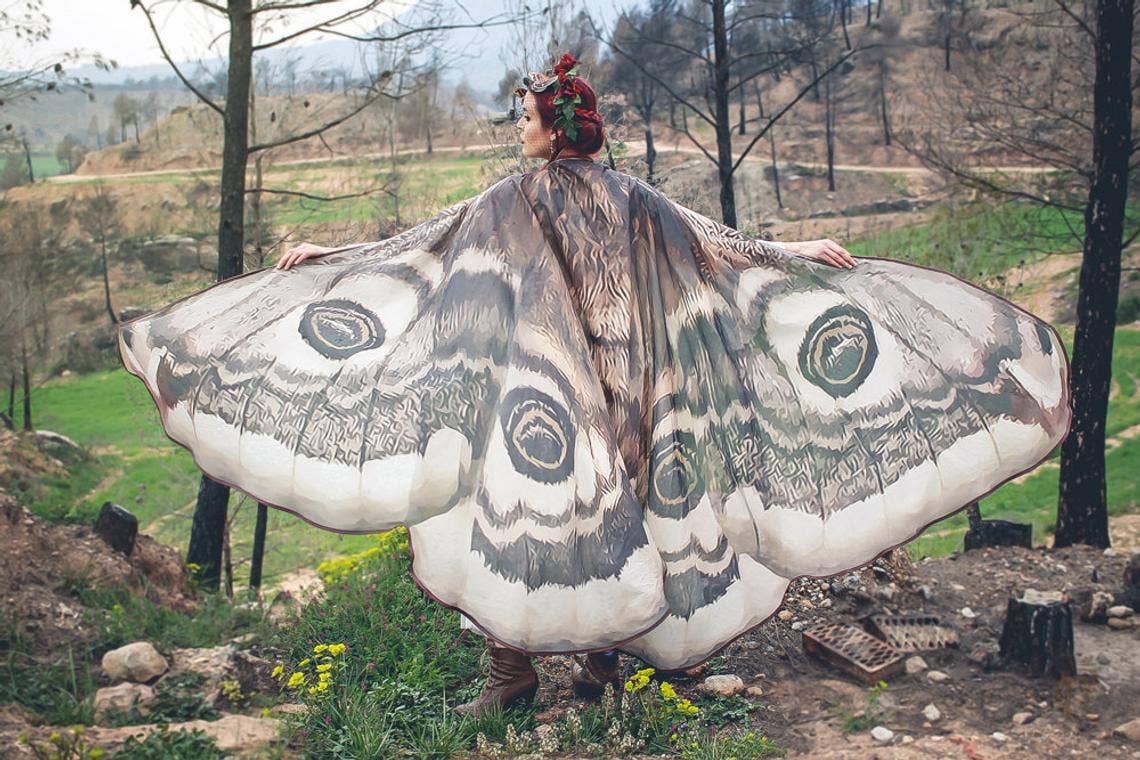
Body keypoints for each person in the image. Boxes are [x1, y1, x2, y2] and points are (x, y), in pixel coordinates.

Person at [118, 53, 1071, 719]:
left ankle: (571, 666)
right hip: (582, 386)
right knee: (546, 515)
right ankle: (538, 668)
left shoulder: (588, 197)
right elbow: (433, 243)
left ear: (553, 127)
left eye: (523, 117)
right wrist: (339, 253)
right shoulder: (559, 197)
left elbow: (709, 244)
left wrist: (797, 255)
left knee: (582, 518)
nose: (515, 128)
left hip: (612, 389)